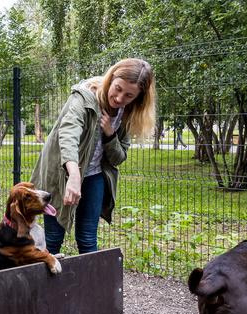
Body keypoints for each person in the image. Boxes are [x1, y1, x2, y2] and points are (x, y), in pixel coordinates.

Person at [30, 58, 156, 254]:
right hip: (61, 173)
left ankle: (90, 284)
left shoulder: (128, 113)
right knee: (53, 239)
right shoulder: (84, 97)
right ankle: (44, 283)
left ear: (138, 98)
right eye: (118, 88)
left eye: (129, 95)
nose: (120, 98)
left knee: (88, 238)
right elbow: (68, 134)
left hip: (95, 176)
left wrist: (110, 135)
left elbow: (119, 158)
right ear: (111, 77)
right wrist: (73, 174)